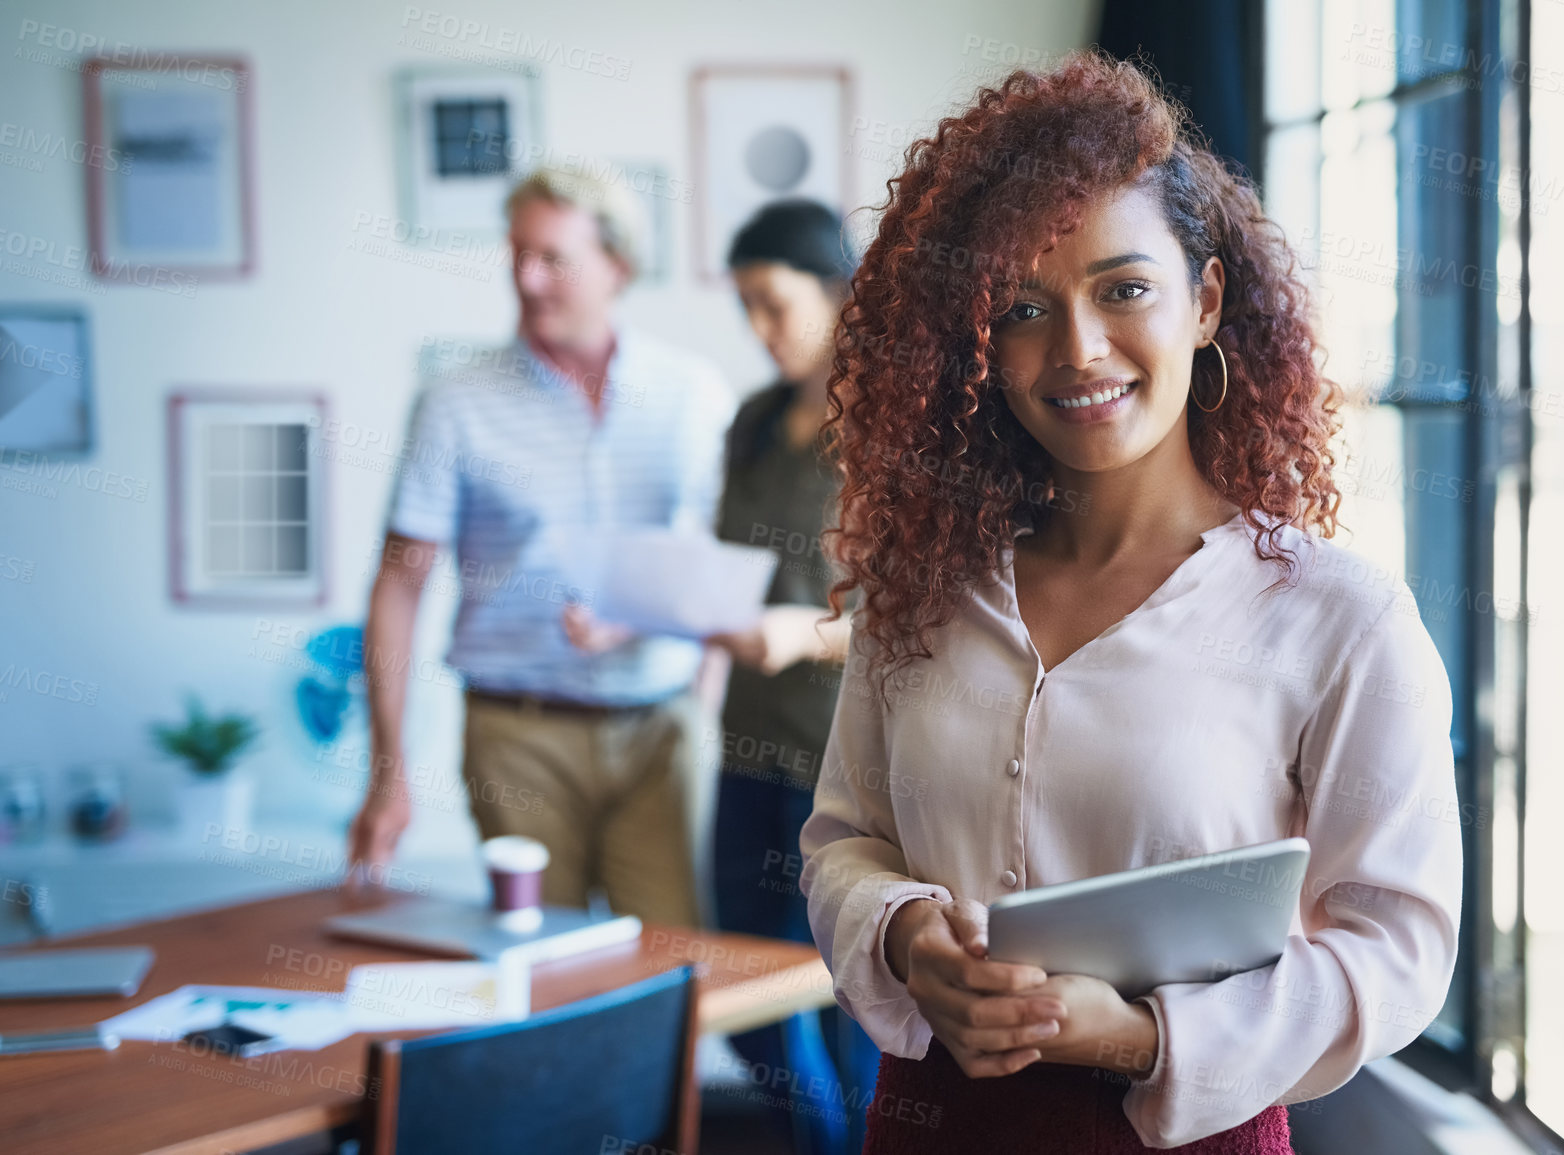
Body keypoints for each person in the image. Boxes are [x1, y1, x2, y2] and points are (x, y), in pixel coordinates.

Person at [799, 52, 1462, 1154]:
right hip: (932, 1122)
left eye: (1124, 288)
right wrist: (911, 936)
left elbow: (1400, 948)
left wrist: (1143, 1036)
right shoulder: (923, 592)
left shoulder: (1339, 619)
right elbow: (842, 844)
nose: (1078, 350)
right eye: (1021, 307)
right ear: (978, 345)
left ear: (1204, 302)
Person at [346, 166, 737, 929]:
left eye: (553, 258)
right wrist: (388, 774)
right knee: (539, 973)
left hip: (662, 731)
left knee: (672, 970)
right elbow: (400, 585)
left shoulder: (693, 394)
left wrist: (701, 700)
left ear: (616, 266)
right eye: (517, 253)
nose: (526, 278)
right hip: (516, 735)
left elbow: (716, 563)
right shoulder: (455, 403)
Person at [704, 200, 877, 1155]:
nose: (760, 329)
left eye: (772, 303)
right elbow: (727, 572)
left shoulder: (895, 430)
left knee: (855, 1001)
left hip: (842, 760)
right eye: (745, 309)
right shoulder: (752, 423)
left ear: (836, 292)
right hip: (745, 744)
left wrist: (807, 636)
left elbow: (924, 614)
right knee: (748, 989)